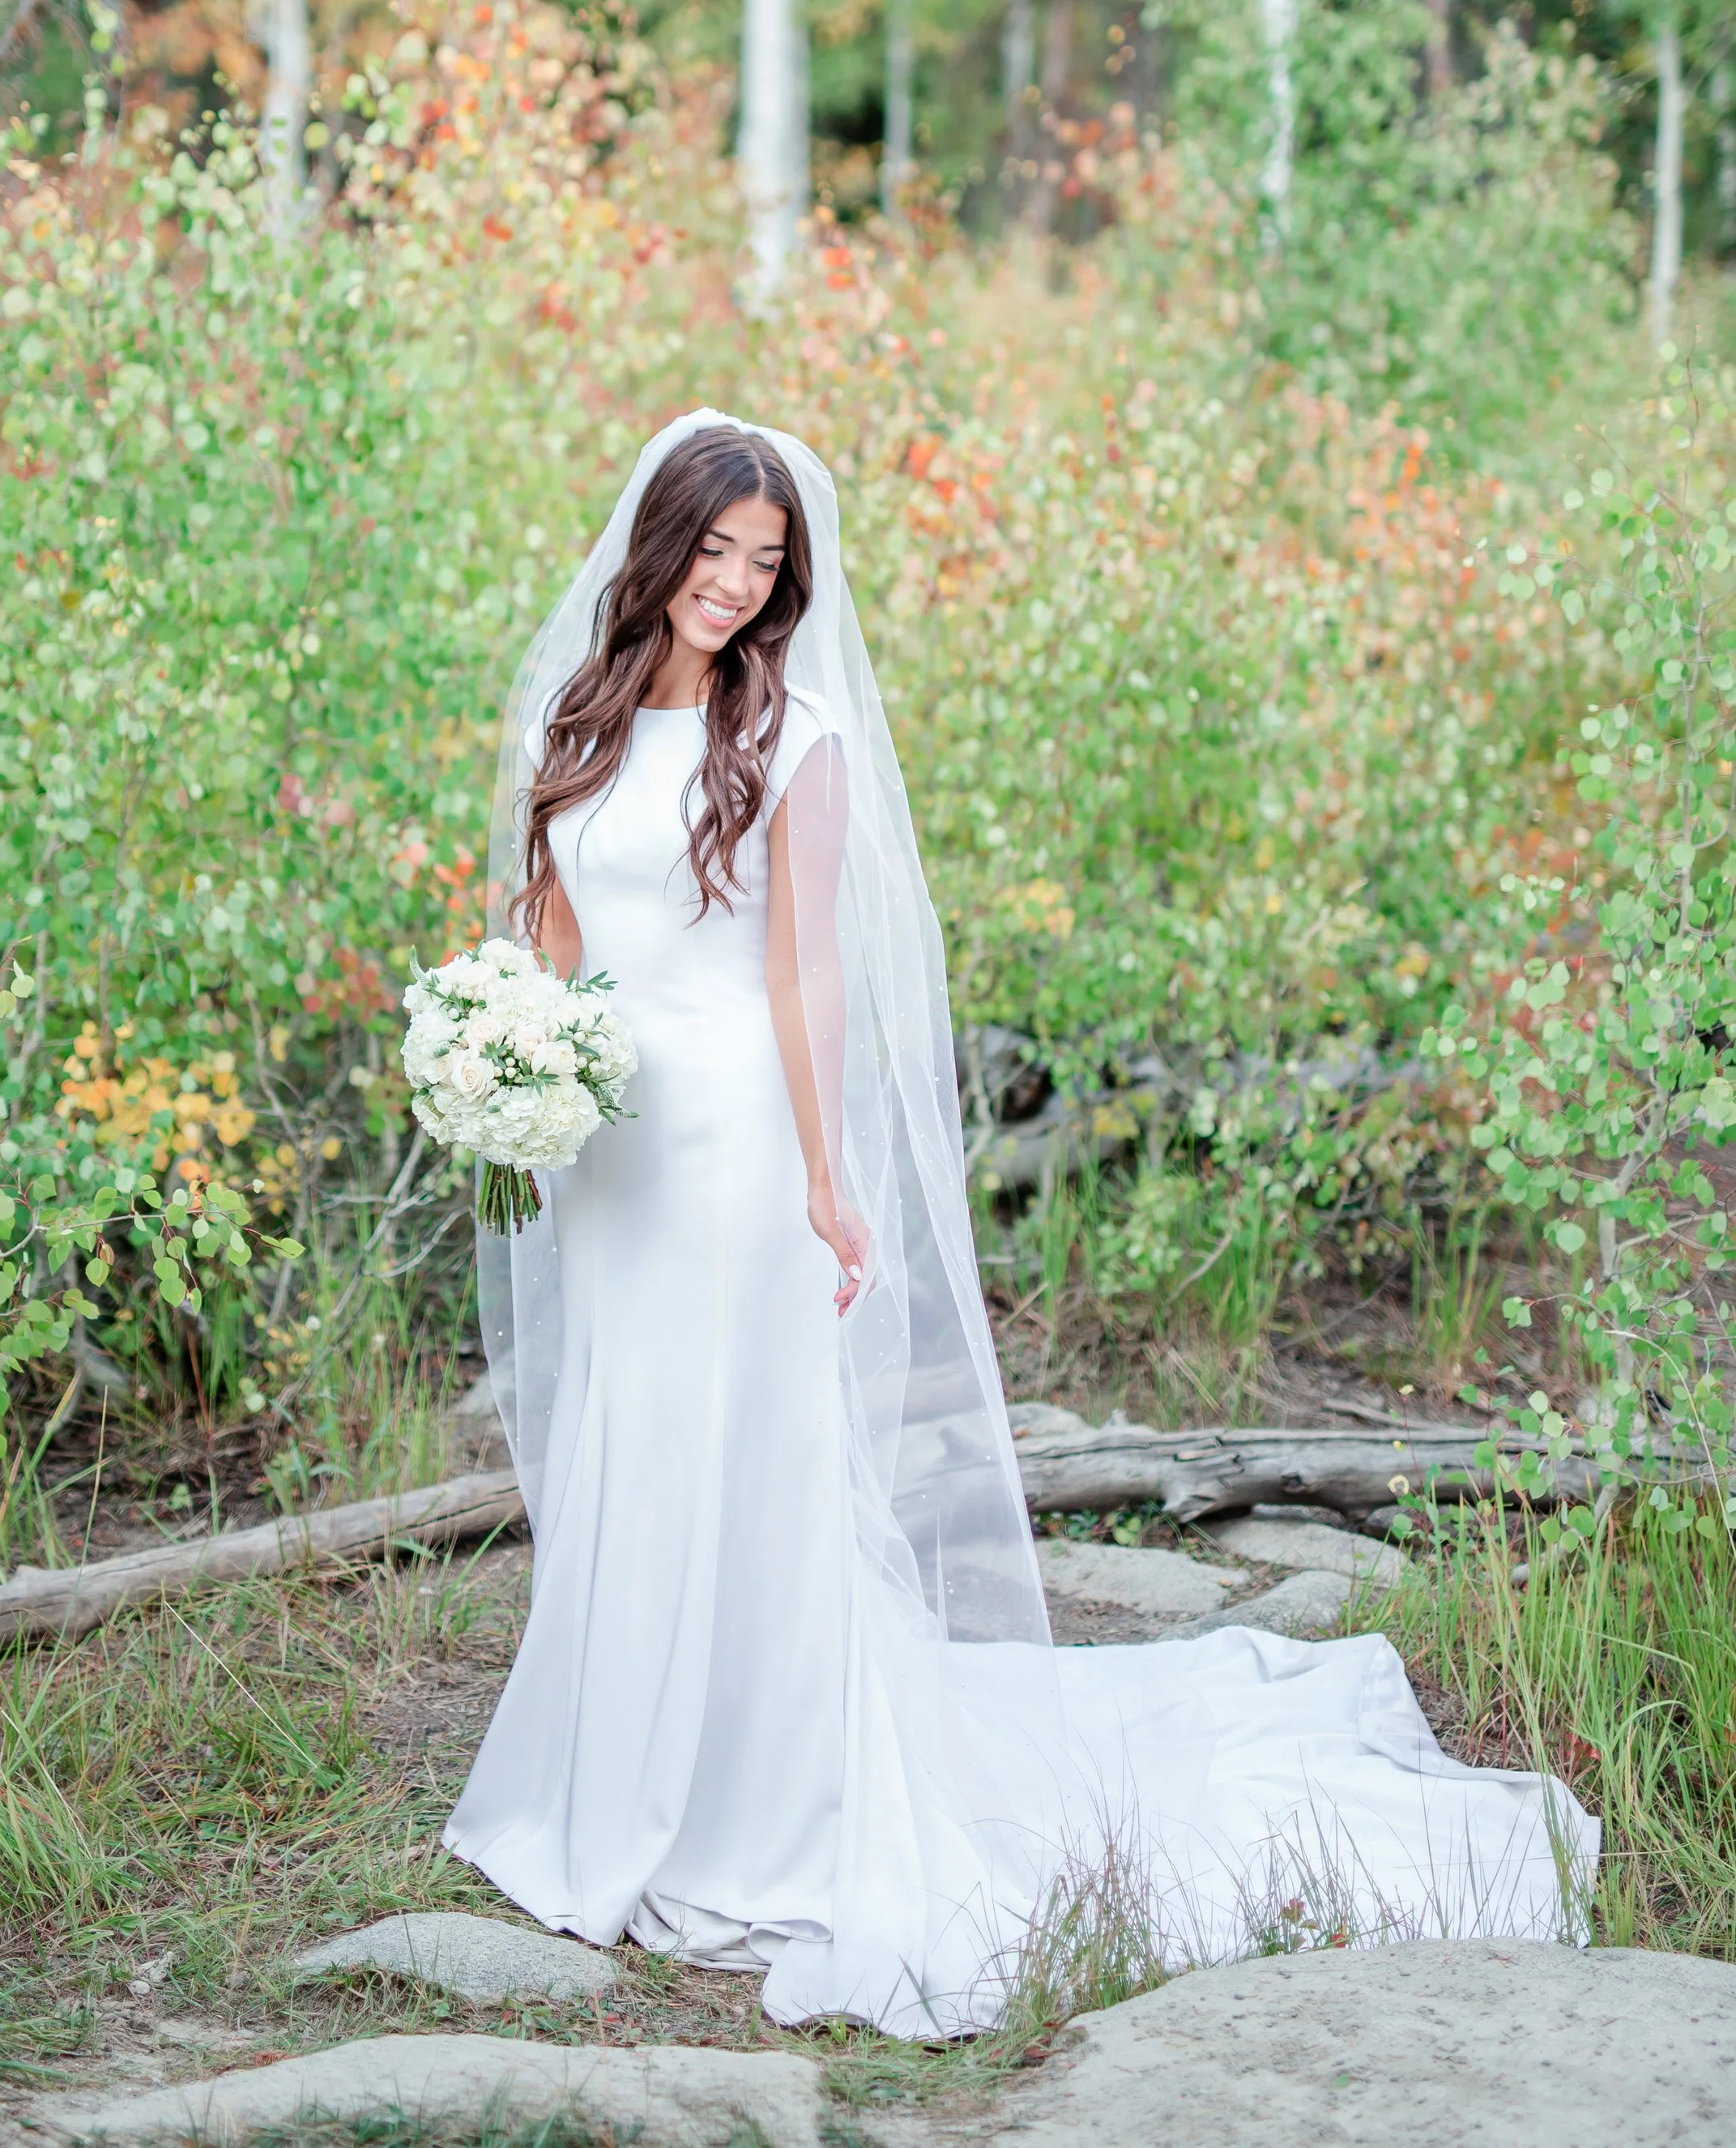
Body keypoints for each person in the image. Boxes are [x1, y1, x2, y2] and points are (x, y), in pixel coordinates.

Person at [443, 411, 1595, 2035]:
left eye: (762, 565)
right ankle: (609, 1775)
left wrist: (825, 1176)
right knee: (634, 1439)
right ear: (658, 546)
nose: (730, 585)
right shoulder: (580, 708)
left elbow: (804, 972)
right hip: (610, 1159)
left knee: (743, 1460)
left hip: (732, 1154)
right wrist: (517, 1061)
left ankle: (752, 1805)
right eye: (709, 553)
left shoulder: (796, 734)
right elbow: (552, 921)